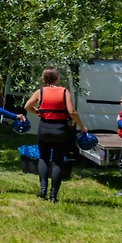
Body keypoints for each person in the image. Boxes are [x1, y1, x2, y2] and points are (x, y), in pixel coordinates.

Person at [25, 67, 88, 202]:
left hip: (44, 128)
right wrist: (82, 127)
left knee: (43, 158)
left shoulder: (40, 92)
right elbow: (72, 112)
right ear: (57, 78)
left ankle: (43, 189)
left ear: (44, 78)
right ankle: (53, 195)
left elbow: (27, 106)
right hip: (60, 129)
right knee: (57, 161)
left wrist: (39, 112)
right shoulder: (64, 92)